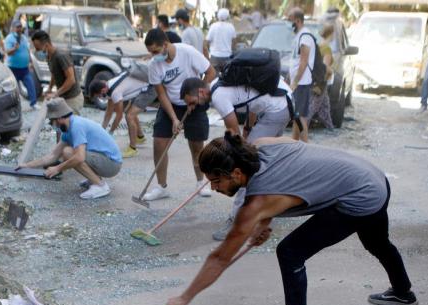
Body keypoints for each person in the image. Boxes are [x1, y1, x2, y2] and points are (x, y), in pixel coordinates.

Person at [161, 134, 417, 305]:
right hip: (373, 178)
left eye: (216, 181)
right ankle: (403, 293)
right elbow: (289, 170)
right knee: (376, 242)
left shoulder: (256, 205)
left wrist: (185, 297)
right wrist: (264, 222)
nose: (214, 187)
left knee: (290, 251)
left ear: (237, 173)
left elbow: (219, 258)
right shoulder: (260, 146)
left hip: (359, 197)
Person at [181, 76, 294, 240]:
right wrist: (249, 126)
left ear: (200, 91)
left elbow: (234, 132)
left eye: (192, 101)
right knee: (265, 160)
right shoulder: (222, 82)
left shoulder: (218, 95)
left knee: (243, 167)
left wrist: (231, 157)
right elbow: (252, 100)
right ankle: (268, 208)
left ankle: (237, 221)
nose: (193, 106)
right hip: (284, 103)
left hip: (276, 109)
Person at [143, 28, 216, 201]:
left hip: (194, 102)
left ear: (166, 44)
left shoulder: (187, 52)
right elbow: (161, 94)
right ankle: (161, 187)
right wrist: (174, 119)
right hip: (171, 104)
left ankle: (200, 182)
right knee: (159, 143)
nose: (153, 56)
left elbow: (211, 71)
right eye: (150, 52)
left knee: (196, 145)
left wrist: (199, 95)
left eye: (155, 51)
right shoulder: (154, 66)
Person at [19, 98, 122, 199]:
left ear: (59, 118)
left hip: (112, 164)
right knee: (68, 152)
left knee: (69, 153)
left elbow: (80, 158)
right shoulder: (68, 130)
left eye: (52, 121)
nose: (52, 125)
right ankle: (94, 179)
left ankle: (100, 186)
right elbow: (52, 156)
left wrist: (57, 168)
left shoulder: (76, 126)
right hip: (105, 160)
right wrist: (27, 165)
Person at [88, 72, 156, 158]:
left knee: (129, 116)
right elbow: (108, 113)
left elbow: (119, 116)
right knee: (129, 111)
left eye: (99, 96)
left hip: (150, 89)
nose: (100, 98)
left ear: (103, 90)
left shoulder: (115, 93)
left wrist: (110, 133)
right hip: (143, 86)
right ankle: (140, 137)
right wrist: (102, 131)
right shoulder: (108, 85)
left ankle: (133, 149)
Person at [31, 30, 83, 115]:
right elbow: (54, 73)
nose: (36, 51)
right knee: (59, 122)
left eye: (38, 48)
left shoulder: (61, 56)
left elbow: (71, 79)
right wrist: (50, 89)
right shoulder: (49, 56)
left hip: (73, 98)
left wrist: (55, 94)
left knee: (69, 124)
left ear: (46, 45)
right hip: (64, 97)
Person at [287, 7, 315, 142]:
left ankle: (305, 146)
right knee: (296, 115)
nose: (288, 23)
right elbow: (295, 61)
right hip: (298, 82)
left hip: (302, 83)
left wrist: (295, 82)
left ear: (297, 20)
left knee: (300, 116)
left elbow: (303, 62)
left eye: (289, 20)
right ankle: (294, 143)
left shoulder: (305, 36)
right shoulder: (298, 36)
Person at [5, 21, 38, 109]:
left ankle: (33, 103)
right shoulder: (9, 38)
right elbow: (8, 53)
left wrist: (30, 62)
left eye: (20, 27)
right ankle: (13, 106)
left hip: (24, 68)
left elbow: (27, 51)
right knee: (13, 88)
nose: (19, 29)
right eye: (17, 27)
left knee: (30, 84)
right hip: (13, 68)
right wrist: (14, 48)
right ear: (13, 28)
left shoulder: (23, 37)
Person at [308, 23, 335, 130]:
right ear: (331, 34)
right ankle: (301, 126)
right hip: (321, 83)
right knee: (312, 109)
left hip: (314, 80)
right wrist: (332, 71)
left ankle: (331, 129)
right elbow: (326, 68)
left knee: (325, 107)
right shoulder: (327, 49)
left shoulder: (318, 46)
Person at [205, 9, 236, 73]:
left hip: (214, 56)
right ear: (227, 16)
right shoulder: (231, 27)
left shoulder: (213, 26)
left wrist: (209, 51)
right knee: (226, 77)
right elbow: (234, 42)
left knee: (214, 77)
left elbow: (207, 41)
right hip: (227, 56)